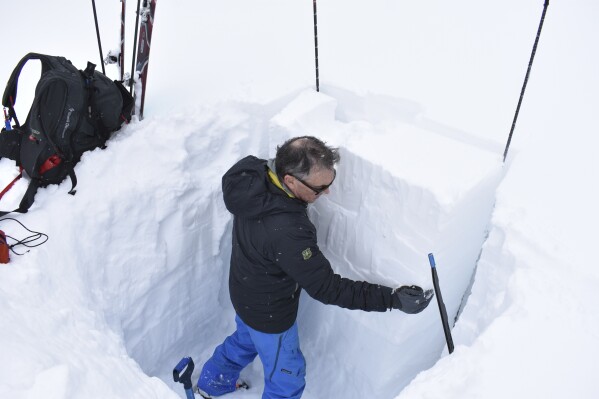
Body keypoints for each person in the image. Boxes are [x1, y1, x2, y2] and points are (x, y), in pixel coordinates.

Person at [196, 136, 433, 399]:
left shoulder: (250, 175)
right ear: (290, 181)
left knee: (245, 339)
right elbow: (327, 288)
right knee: (287, 378)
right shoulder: (288, 231)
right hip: (270, 314)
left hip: (244, 294)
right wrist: (391, 299)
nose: (327, 192)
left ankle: (213, 382)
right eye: (320, 188)